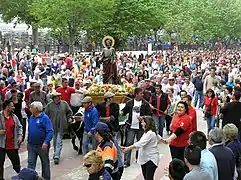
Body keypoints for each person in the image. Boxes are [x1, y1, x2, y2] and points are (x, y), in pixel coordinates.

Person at [120, 87, 152, 168]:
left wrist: (143, 118)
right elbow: (125, 111)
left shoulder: (145, 103)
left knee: (140, 144)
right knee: (129, 143)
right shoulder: (130, 103)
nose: (142, 95)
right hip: (131, 126)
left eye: (142, 93)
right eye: (141, 93)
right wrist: (121, 112)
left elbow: (149, 115)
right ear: (136, 94)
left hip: (141, 127)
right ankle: (126, 161)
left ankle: (139, 159)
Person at [45, 92, 73, 164]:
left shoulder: (64, 104)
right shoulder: (49, 105)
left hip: (62, 125)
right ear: (54, 98)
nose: (59, 97)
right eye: (57, 96)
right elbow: (46, 115)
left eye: (60, 96)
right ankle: (56, 152)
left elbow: (69, 112)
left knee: (59, 141)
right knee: (54, 140)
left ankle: (56, 155)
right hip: (52, 126)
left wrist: (69, 118)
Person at [27, 101, 53, 180]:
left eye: (31, 107)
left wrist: (46, 142)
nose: (30, 109)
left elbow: (50, 131)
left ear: (37, 109)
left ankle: (46, 178)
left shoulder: (44, 118)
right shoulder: (31, 117)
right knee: (31, 163)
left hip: (42, 146)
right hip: (31, 145)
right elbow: (30, 130)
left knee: (45, 163)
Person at [0, 100, 23, 180]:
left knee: (16, 164)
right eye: (12, 106)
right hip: (1, 145)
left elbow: (20, 127)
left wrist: (20, 136)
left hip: (12, 144)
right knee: (0, 164)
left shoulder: (14, 116)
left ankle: (21, 176)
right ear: (7, 107)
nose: (13, 107)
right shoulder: (0, 116)